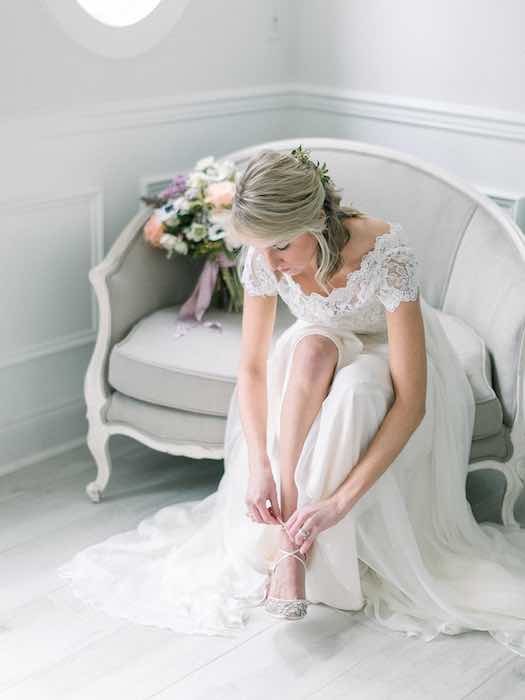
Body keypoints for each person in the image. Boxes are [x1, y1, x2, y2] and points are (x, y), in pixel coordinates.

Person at [58, 146, 525, 655]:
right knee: (306, 355)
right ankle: (290, 536)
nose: (270, 265)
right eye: (260, 249)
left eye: (280, 247)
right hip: (324, 337)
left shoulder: (387, 252)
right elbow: (254, 367)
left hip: (390, 351)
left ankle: (308, 539)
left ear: (315, 224)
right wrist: (259, 466)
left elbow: (412, 403)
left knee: (358, 390)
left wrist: (339, 502)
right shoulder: (265, 254)